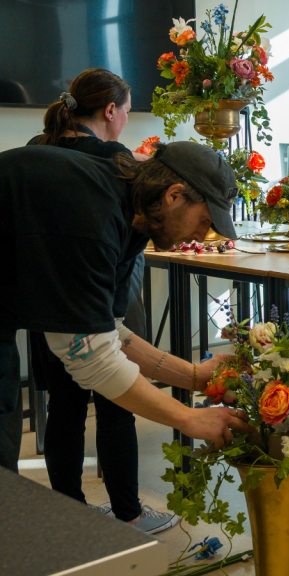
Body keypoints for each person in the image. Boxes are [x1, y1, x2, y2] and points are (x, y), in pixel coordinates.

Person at [0, 141, 252, 480]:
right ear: (174, 196)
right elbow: (87, 352)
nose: (203, 234)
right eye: (205, 219)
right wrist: (187, 417)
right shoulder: (93, 214)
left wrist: (192, 376)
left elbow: (108, 329)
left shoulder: (132, 219)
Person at [26, 68, 179, 533]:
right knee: (117, 403)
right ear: (110, 111)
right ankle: (129, 514)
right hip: (102, 295)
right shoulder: (116, 161)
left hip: (45, 299)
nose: (126, 120)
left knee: (64, 408)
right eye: (126, 112)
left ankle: (69, 512)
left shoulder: (37, 149)